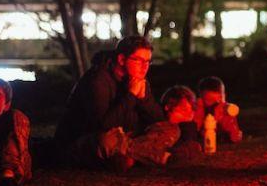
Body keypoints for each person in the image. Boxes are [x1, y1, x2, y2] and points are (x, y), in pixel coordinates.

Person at [54, 36, 177, 171]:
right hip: (86, 139)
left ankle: (130, 156)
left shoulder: (138, 80)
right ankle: (162, 157)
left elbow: (159, 120)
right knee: (107, 140)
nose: (144, 67)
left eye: (148, 61)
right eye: (138, 60)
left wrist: (144, 100)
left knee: (171, 128)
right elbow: (102, 125)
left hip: (126, 138)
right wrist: (130, 95)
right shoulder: (97, 80)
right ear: (122, 60)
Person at [160, 85, 202, 167]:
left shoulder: (189, 127)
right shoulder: (159, 127)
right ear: (167, 108)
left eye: (191, 111)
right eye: (183, 110)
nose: (188, 115)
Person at [192, 77, 242, 144]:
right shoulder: (196, 108)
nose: (216, 103)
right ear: (201, 97)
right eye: (210, 100)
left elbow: (234, 135)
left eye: (220, 98)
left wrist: (235, 135)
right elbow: (194, 131)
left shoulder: (225, 110)